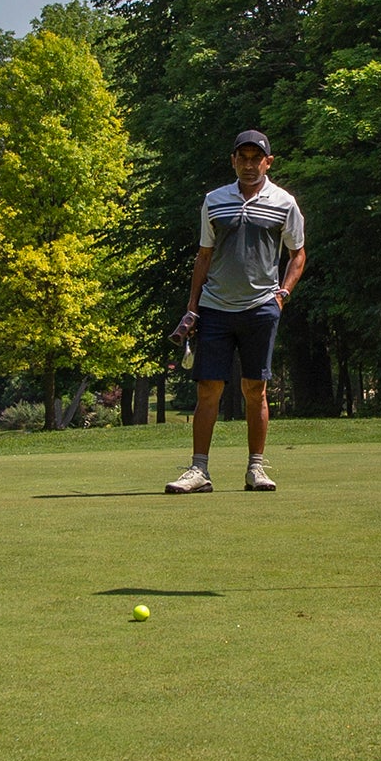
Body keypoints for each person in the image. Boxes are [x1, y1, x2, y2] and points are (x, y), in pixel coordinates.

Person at [164, 128, 306, 495]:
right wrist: (192, 308)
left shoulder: (284, 202)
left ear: (267, 162)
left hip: (261, 308)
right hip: (215, 308)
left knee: (255, 388)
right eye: (241, 158)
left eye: (255, 158)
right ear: (233, 161)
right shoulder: (214, 201)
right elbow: (204, 255)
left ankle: (256, 469)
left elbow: (297, 253)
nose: (248, 164)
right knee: (209, 388)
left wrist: (283, 294)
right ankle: (199, 470)